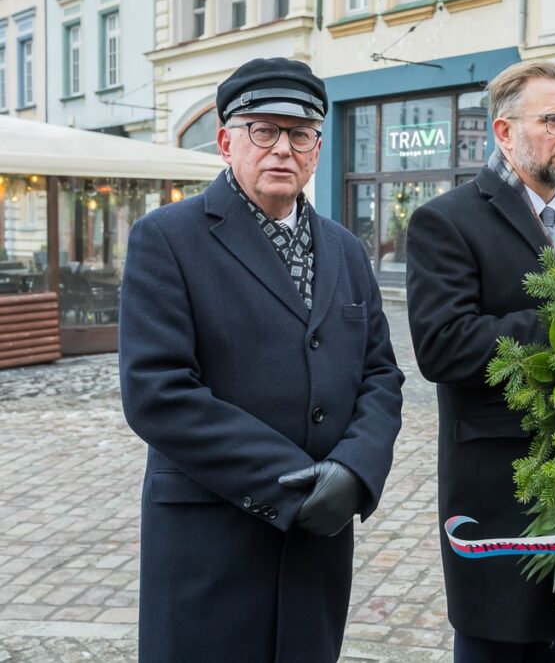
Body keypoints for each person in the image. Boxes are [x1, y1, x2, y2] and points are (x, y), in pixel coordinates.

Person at [118, 58, 404, 663]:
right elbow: (157, 390)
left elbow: (380, 372)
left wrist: (355, 471)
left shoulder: (345, 249)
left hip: (319, 544)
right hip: (213, 535)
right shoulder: (167, 238)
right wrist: (297, 487)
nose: (282, 149)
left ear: (317, 148)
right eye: (262, 131)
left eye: (299, 134)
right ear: (226, 142)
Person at [405, 61, 555, 663]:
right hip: (496, 487)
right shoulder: (448, 219)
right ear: (504, 131)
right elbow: (442, 344)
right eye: (554, 120)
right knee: (496, 646)